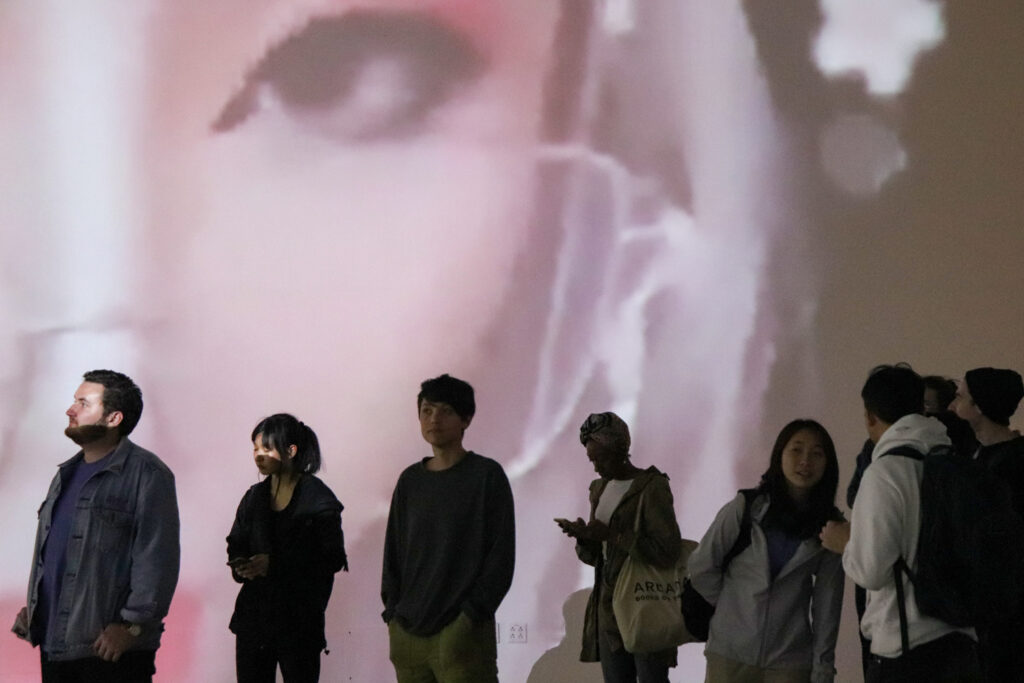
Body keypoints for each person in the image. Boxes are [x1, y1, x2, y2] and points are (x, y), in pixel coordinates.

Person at [11, 370, 180, 682]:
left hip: (109, 653)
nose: (70, 410)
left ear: (114, 418)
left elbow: (157, 558)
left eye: (83, 403)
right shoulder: (65, 475)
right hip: (56, 647)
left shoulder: (149, 474)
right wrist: (37, 610)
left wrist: (132, 627)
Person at [820, 363, 982, 682]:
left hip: (908, 650)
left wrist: (845, 543)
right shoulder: (952, 462)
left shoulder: (885, 473)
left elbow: (871, 570)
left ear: (869, 416)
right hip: (963, 644)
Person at [381, 374, 515, 683]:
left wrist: (470, 616)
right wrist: (393, 617)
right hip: (408, 634)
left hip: (462, 634)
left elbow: (500, 557)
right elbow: (394, 553)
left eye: (445, 411)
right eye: (426, 411)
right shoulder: (410, 481)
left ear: (466, 419)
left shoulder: (486, 476)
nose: (434, 419)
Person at [688, 419, 844, 683]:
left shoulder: (830, 526)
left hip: (790, 661)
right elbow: (701, 565)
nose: (805, 460)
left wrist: (823, 668)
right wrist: (732, 608)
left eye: (817, 454)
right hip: (729, 654)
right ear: (779, 455)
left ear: (827, 464)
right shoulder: (745, 508)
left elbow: (827, 604)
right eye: (796, 450)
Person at [556, 411, 683, 683]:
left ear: (620, 449)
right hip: (608, 609)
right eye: (591, 459)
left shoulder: (652, 487)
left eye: (600, 458)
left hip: (645, 604)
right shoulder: (599, 489)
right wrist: (584, 538)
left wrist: (614, 535)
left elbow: (667, 551)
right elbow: (599, 557)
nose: (595, 466)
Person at [226, 413, 347, 683]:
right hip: (254, 620)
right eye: (255, 448)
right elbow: (236, 541)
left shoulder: (317, 497)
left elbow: (332, 557)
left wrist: (274, 563)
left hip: (299, 621)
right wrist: (241, 564)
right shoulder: (254, 496)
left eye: (266, 448)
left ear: (291, 451)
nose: (258, 455)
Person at [950, 367, 1024, 682]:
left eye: (961, 396)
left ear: (978, 406)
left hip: (1005, 617)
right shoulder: (983, 457)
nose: (953, 405)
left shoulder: (1009, 464)